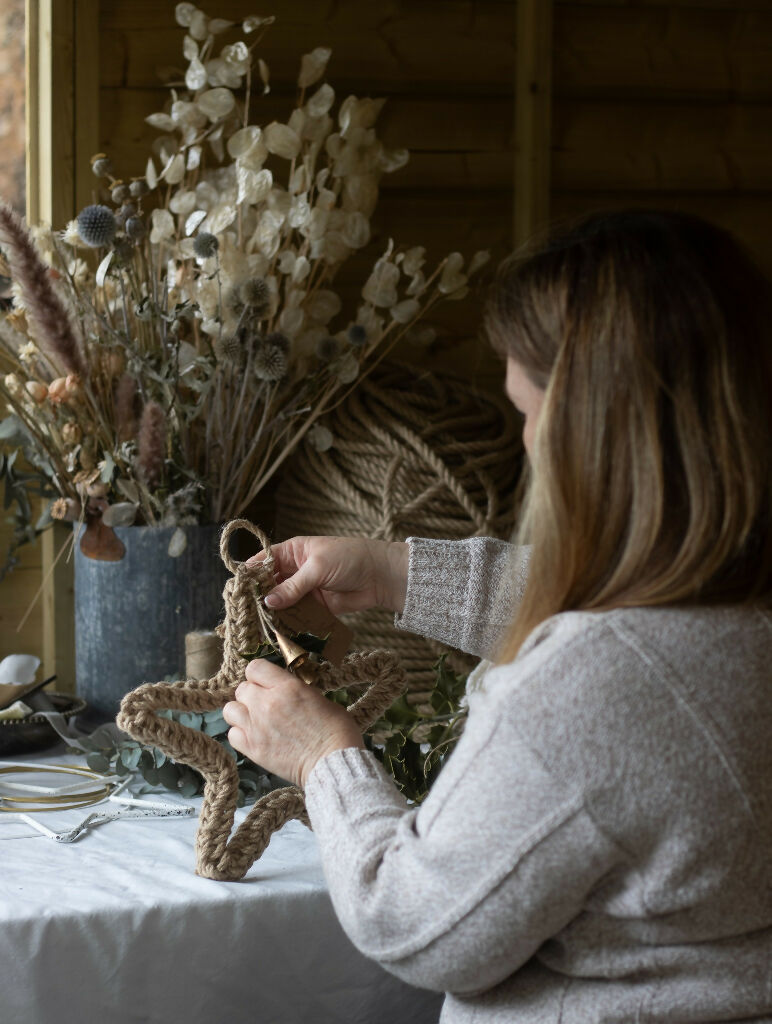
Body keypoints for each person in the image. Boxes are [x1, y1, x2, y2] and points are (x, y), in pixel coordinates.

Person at [222, 210, 772, 1022]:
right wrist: (396, 574)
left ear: (593, 431)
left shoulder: (589, 685)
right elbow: (645, 619)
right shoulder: (733, 602)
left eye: (526, 412)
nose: (526, 442)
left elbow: (411, 920)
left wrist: (323, 757)